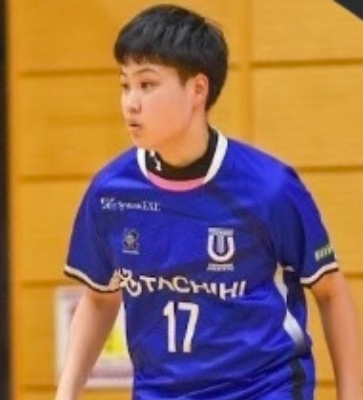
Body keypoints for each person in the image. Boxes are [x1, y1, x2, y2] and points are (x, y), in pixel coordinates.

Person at [55, 4, 362, 400]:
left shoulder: (269, 188)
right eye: (125, 85)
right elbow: (99, 300)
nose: (130, 102)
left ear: (197, 90)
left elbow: (330, 292)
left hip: (262, 389)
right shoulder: (111, 193)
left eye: (147, 84)